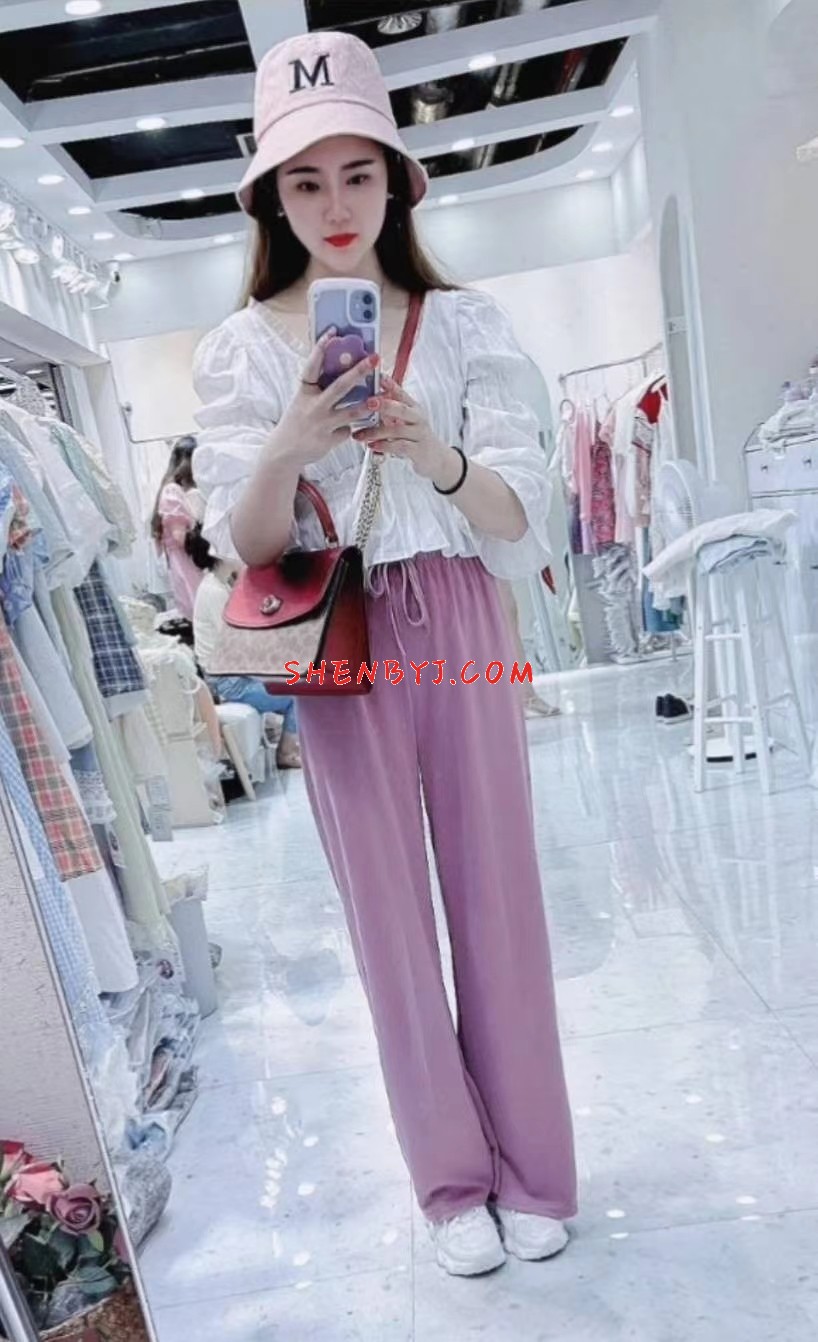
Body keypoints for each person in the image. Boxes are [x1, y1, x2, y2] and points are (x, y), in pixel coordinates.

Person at [192, 31, 577, 1278]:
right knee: (387, 918)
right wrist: (289, 442)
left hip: (457, 615)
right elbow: (249, 545)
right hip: (340, 633)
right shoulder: (242, 349)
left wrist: (432, 453)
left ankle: (533, 1167)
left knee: (496, 894)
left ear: (398, 182)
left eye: (357, 173)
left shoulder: (464, 326)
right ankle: (449, 1180)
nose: (334, 205)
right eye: (304, 182)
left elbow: (518, 516)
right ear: (270, 198)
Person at [186, 525, 301, 770]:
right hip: (230, 681)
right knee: (299, 694)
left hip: (233, 674)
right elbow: (239, 643)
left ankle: (292, 743)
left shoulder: (218, 585)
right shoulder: (215, 592)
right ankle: (287, 751)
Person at [150, 435, 205, 620]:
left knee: (199, 611)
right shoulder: (172, 491)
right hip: (186, 561)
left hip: (186, 560)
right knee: (199, 609)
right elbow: (180, 537)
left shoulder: (175, 489)